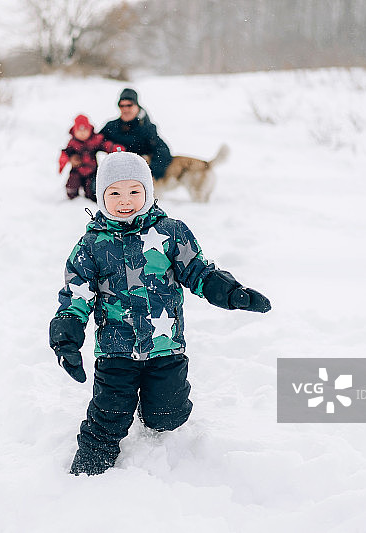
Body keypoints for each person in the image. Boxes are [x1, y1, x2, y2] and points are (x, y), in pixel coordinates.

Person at [48, 151, 271, 476]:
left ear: (149, 192)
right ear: (101, 196)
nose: (125, 201)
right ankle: (85, 476)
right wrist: (66, 336)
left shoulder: (170, 233)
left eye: (134, 192)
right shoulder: (91, 246)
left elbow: (198, 271)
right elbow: (75, 296)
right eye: (115, 193)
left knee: (167, 414)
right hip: (116, 351)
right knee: (108, 415)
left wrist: (231, 292)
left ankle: (154, 412)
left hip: (165, 346)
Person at [99, 88, 172, 180]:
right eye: (122, 106)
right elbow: (94, 142)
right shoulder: (111, 126)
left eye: (129, 105)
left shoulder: (147, 128)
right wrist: (109, 146)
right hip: (115, 175)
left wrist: (150, 173)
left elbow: (162, 151)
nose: (125, 109)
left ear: (137, 106)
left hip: (138, 177)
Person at [59, 114, 124, 202]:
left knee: (91, 189)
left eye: (85, 130)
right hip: (77, 171)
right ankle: (72, 198)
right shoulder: (73, 143)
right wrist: (64, 162)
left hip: (92, 170)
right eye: (79, 131)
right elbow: (66, 153)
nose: (82, 133)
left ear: (90, 130)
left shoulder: (95, 140)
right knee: (72, 184)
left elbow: (105, 145)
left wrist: (114, 148)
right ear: (74, 131)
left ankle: (91, 198)